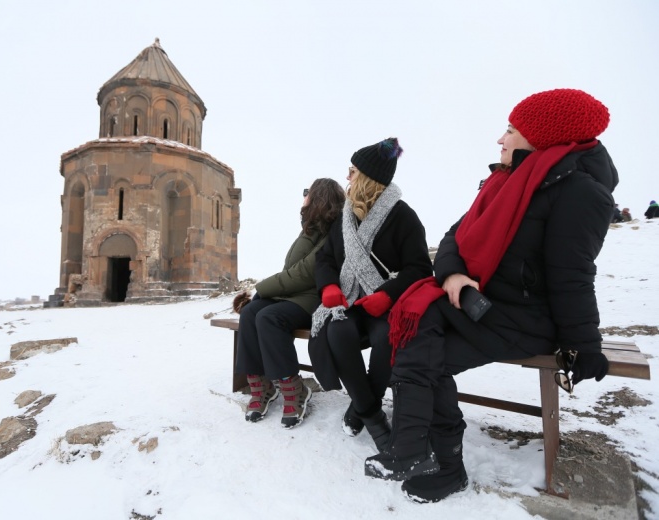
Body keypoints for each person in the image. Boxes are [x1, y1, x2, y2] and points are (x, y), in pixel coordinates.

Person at [365, 89, 616, 503]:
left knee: (428, 359)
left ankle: (432, 460)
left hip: (524, 320)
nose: (501, 139)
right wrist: (453, 275)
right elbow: (453, 237)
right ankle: (418, 453)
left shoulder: (580, 194)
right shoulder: (504, 182)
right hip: (477, 305)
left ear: (542, 138)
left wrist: (584, 345)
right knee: (412, 332)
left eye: (512, 130)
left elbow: (572, 277)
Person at [309, 137, 433, 452]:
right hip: (350, 302)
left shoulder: (403, 216)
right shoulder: (344, 218)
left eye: (352, 172)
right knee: (338, 334)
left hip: (386, 305)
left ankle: (362, 406)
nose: (347, 177)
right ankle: (373, 417)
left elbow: (419, 268)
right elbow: (324, 258)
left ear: (366, 178)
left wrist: (388, 294)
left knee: (387, 338)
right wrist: (329, 286)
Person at [234, 178, 345, 428]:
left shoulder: (334, 233)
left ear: (319, 198)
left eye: (308, 193)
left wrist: (261, 287)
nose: (303, 197)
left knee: (269, 317)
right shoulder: (312, 229)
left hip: (314, 298)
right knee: (251, 312)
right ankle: (261, 385)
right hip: (295, 294)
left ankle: (293, 388)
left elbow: (305, 273)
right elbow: (291, 267)